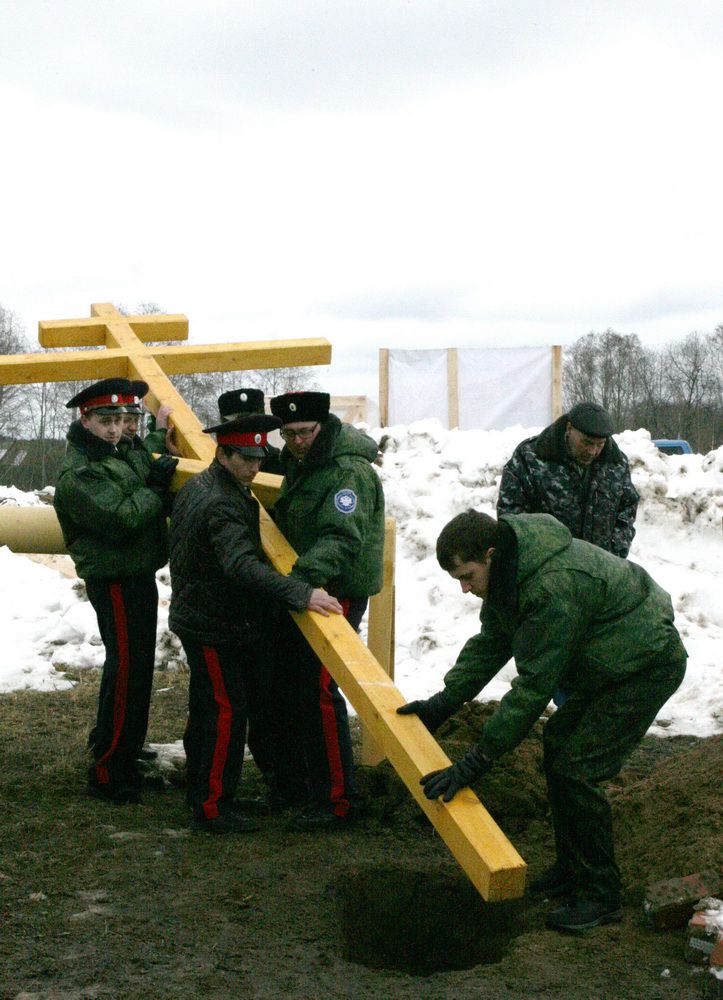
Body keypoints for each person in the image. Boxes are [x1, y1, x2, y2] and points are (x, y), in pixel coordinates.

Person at [397, 509, 686, 932]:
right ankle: (573, 870)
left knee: (579, 768)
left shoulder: (552, 586)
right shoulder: (508, 577)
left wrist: (476, 761)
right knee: (559, 745)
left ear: (492, 554)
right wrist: (444, 701)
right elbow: (491, 643)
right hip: (606, 661)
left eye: (468, 576)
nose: (464, 589)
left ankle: (600, 894)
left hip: (643, 666)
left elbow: (533, 688)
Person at [168, 410, 342, 834]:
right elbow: (241, 565)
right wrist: (300, 593)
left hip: (207, 616)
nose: (255, 467)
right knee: (225, 712)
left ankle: (205, 792)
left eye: (260, 458)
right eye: (246, 458)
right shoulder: (222, 502)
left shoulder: (207, 486)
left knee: (211, 708)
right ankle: (211, 807)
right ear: (223, 454)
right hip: (214, 624)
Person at [54, 378, 178, 804]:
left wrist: (158, 432)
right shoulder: (82, 472)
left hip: (135, 573)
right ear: (83, 418)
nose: (115, 428)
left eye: (124, 420)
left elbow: (140, 461)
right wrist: (158, 489)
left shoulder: (114, 451)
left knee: (132, 667)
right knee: (129, 670)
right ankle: (110, 768)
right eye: (106, 420)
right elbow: (124, 515)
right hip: (116, 578)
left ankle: (117, 745)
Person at [268, 390, 385, 830]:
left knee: (319, 690)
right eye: (289, 434)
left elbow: (341, 537)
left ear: (323, 427)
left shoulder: (347, 470)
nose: (297, 441)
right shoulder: (306, 461)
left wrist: (296, 581)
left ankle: (338, 800)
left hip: (338, 589)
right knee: (301, 687)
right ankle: (308, 785)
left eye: (305, 432)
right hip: (311, 585)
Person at [497, 401, 639, 558]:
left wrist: (616, 553)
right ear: (569, 429)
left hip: (600, 569)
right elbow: (511, 516)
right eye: (586, 442)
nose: (592, 451)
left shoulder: (615, 464)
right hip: (546, 570)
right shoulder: (531, 457)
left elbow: (627, 508)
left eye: (600, 444)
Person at [217, 387, 283, 473]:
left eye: (253, 422)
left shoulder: (279, 461)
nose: (247, 428)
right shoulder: (222, 456)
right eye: (239, 424)